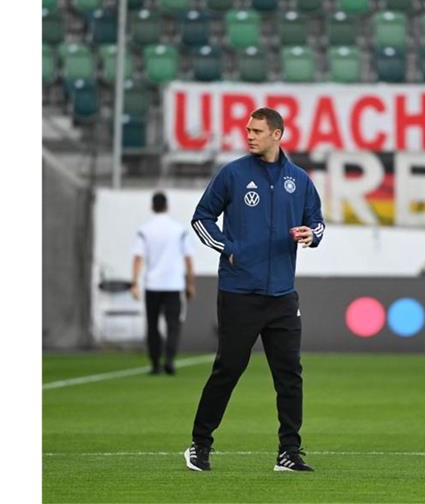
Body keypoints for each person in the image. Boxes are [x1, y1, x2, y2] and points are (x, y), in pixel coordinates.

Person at [184, 107, 325, 473]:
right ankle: (200, 444)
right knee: (228, 369)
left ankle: (289, 452)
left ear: (277, 134)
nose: (249, 135)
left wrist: (312, 235)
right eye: (247, 129)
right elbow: (201, 219)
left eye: (257, 131)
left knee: (290, 375)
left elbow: (317, 223)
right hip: (239, 293)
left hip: (282, 295)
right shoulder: (232, 174)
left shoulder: (300, 180)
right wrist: (228, 248)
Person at [130, 191, 196, 375]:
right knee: (173, 325)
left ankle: (154, 363)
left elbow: (138, 257)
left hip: (152, 285)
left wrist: (134, 283)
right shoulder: (179, 229)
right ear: (167, 206)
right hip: (174, 285)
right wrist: (190, 283)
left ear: (152, 207)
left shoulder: (145, 230)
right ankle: (170, 360)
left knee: (152, 325)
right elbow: (188, 258)